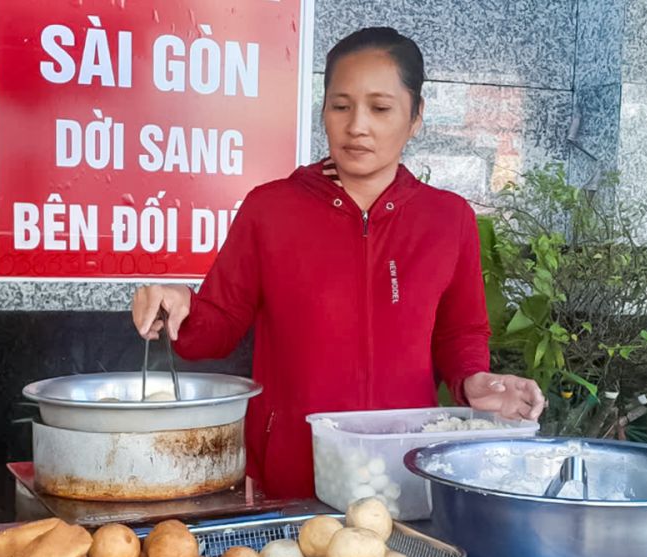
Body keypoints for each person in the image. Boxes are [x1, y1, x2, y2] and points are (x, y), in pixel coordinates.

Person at [131, 27, 545, 499]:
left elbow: (460, 332)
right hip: (291, 474)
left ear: (416, 116)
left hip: (403, 473)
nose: (357, 126)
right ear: (323, 110)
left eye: (381, 108)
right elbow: (221, 324)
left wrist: (474, 381)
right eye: (341, 106)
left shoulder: (448, 219)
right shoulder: (271, 209)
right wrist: (181, 306)